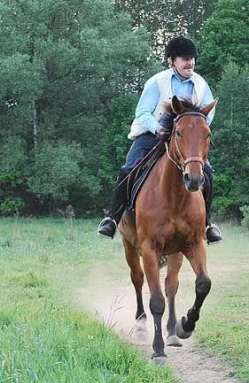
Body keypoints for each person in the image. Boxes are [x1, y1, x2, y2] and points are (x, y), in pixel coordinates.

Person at [97, 36, 223, 244]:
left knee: (207, 173)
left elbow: (209, 113)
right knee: (128, 168)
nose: (189, 62)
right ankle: (112, 218)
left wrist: (195, 128)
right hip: (152, 134)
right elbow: (142, 112)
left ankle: (207, 224)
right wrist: (159, 129)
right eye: (184, 59)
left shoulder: (201, 84)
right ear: (172, 61)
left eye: (192, 58)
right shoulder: (157, 82)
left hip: (185, 140)